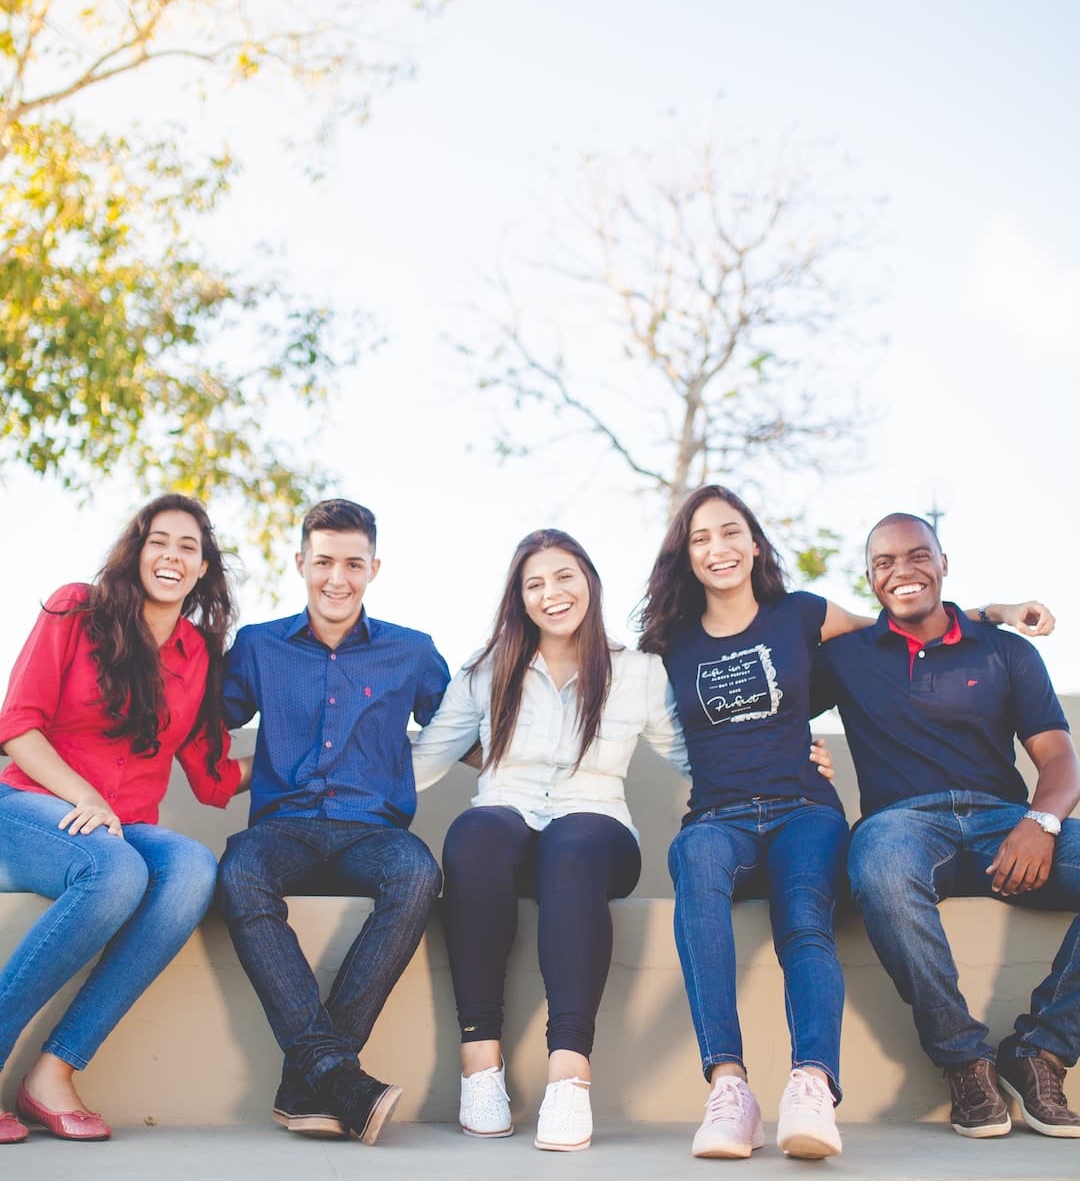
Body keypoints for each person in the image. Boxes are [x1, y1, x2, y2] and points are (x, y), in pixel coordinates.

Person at [636, 485, 1044, 1162]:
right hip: (717, 816)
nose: (719, 548)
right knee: (695, 865)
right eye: (701, 538)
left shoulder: (801, 614)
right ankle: (730, 1088)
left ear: (755, 543)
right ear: (685, 555)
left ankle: (813, 1084)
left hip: (804, 808)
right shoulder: (666, 644)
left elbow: (903, 622)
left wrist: (993, 612)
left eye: (731, 531)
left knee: (804, 917)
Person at [410, 528, 769, 1151]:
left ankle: (569, 1076)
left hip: (596, 834)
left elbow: (698, 755)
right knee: (474, 833)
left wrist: (788, 766)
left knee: (572, 847)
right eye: (535, 583)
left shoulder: (637, 673)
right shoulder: (486, 670)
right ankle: (480, 1064)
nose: (552, 593)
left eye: (564, 576)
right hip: (506, 828)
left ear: (590, 582)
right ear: (520, 599)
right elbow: (425, 759)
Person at [815, 512, 1080, 1139]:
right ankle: (965, 1061)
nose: (902, 571)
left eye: (916, 556)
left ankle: (1040, 1051)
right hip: (901, 826)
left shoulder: (1005, 650)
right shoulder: (846, 657)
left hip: (1006, 824)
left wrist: (1041, 822)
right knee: (877, 867)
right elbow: (768, 686)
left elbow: (1059, 757)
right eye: (884, 562)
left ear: (942, 562)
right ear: (871, 578)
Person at [0, 494, 247, 1145]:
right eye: (158, 540)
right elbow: (17, 727)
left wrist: (312, 760)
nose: (171, 554)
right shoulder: (75, 608)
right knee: (114, 871)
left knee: (193, 867)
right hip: (30, 803)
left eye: (188, 546)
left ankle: (53, 1072)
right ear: (137, 551)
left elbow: (212, 774)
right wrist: (84, 795)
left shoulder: (198, 654)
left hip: (122, 826)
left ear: (202, 568)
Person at [216, 498, 450, 1146]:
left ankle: (313, 1078)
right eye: (324, 561)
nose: (337, 578)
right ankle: (338, 1076)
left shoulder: (413, 651)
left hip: (373, 831)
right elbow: (203, 718)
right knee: (238, 871)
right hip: (281, 828)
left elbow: (470, 724)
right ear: (300, 562)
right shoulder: (259, 645)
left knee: (417, 873)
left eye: (353, 562)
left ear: (375, 566)